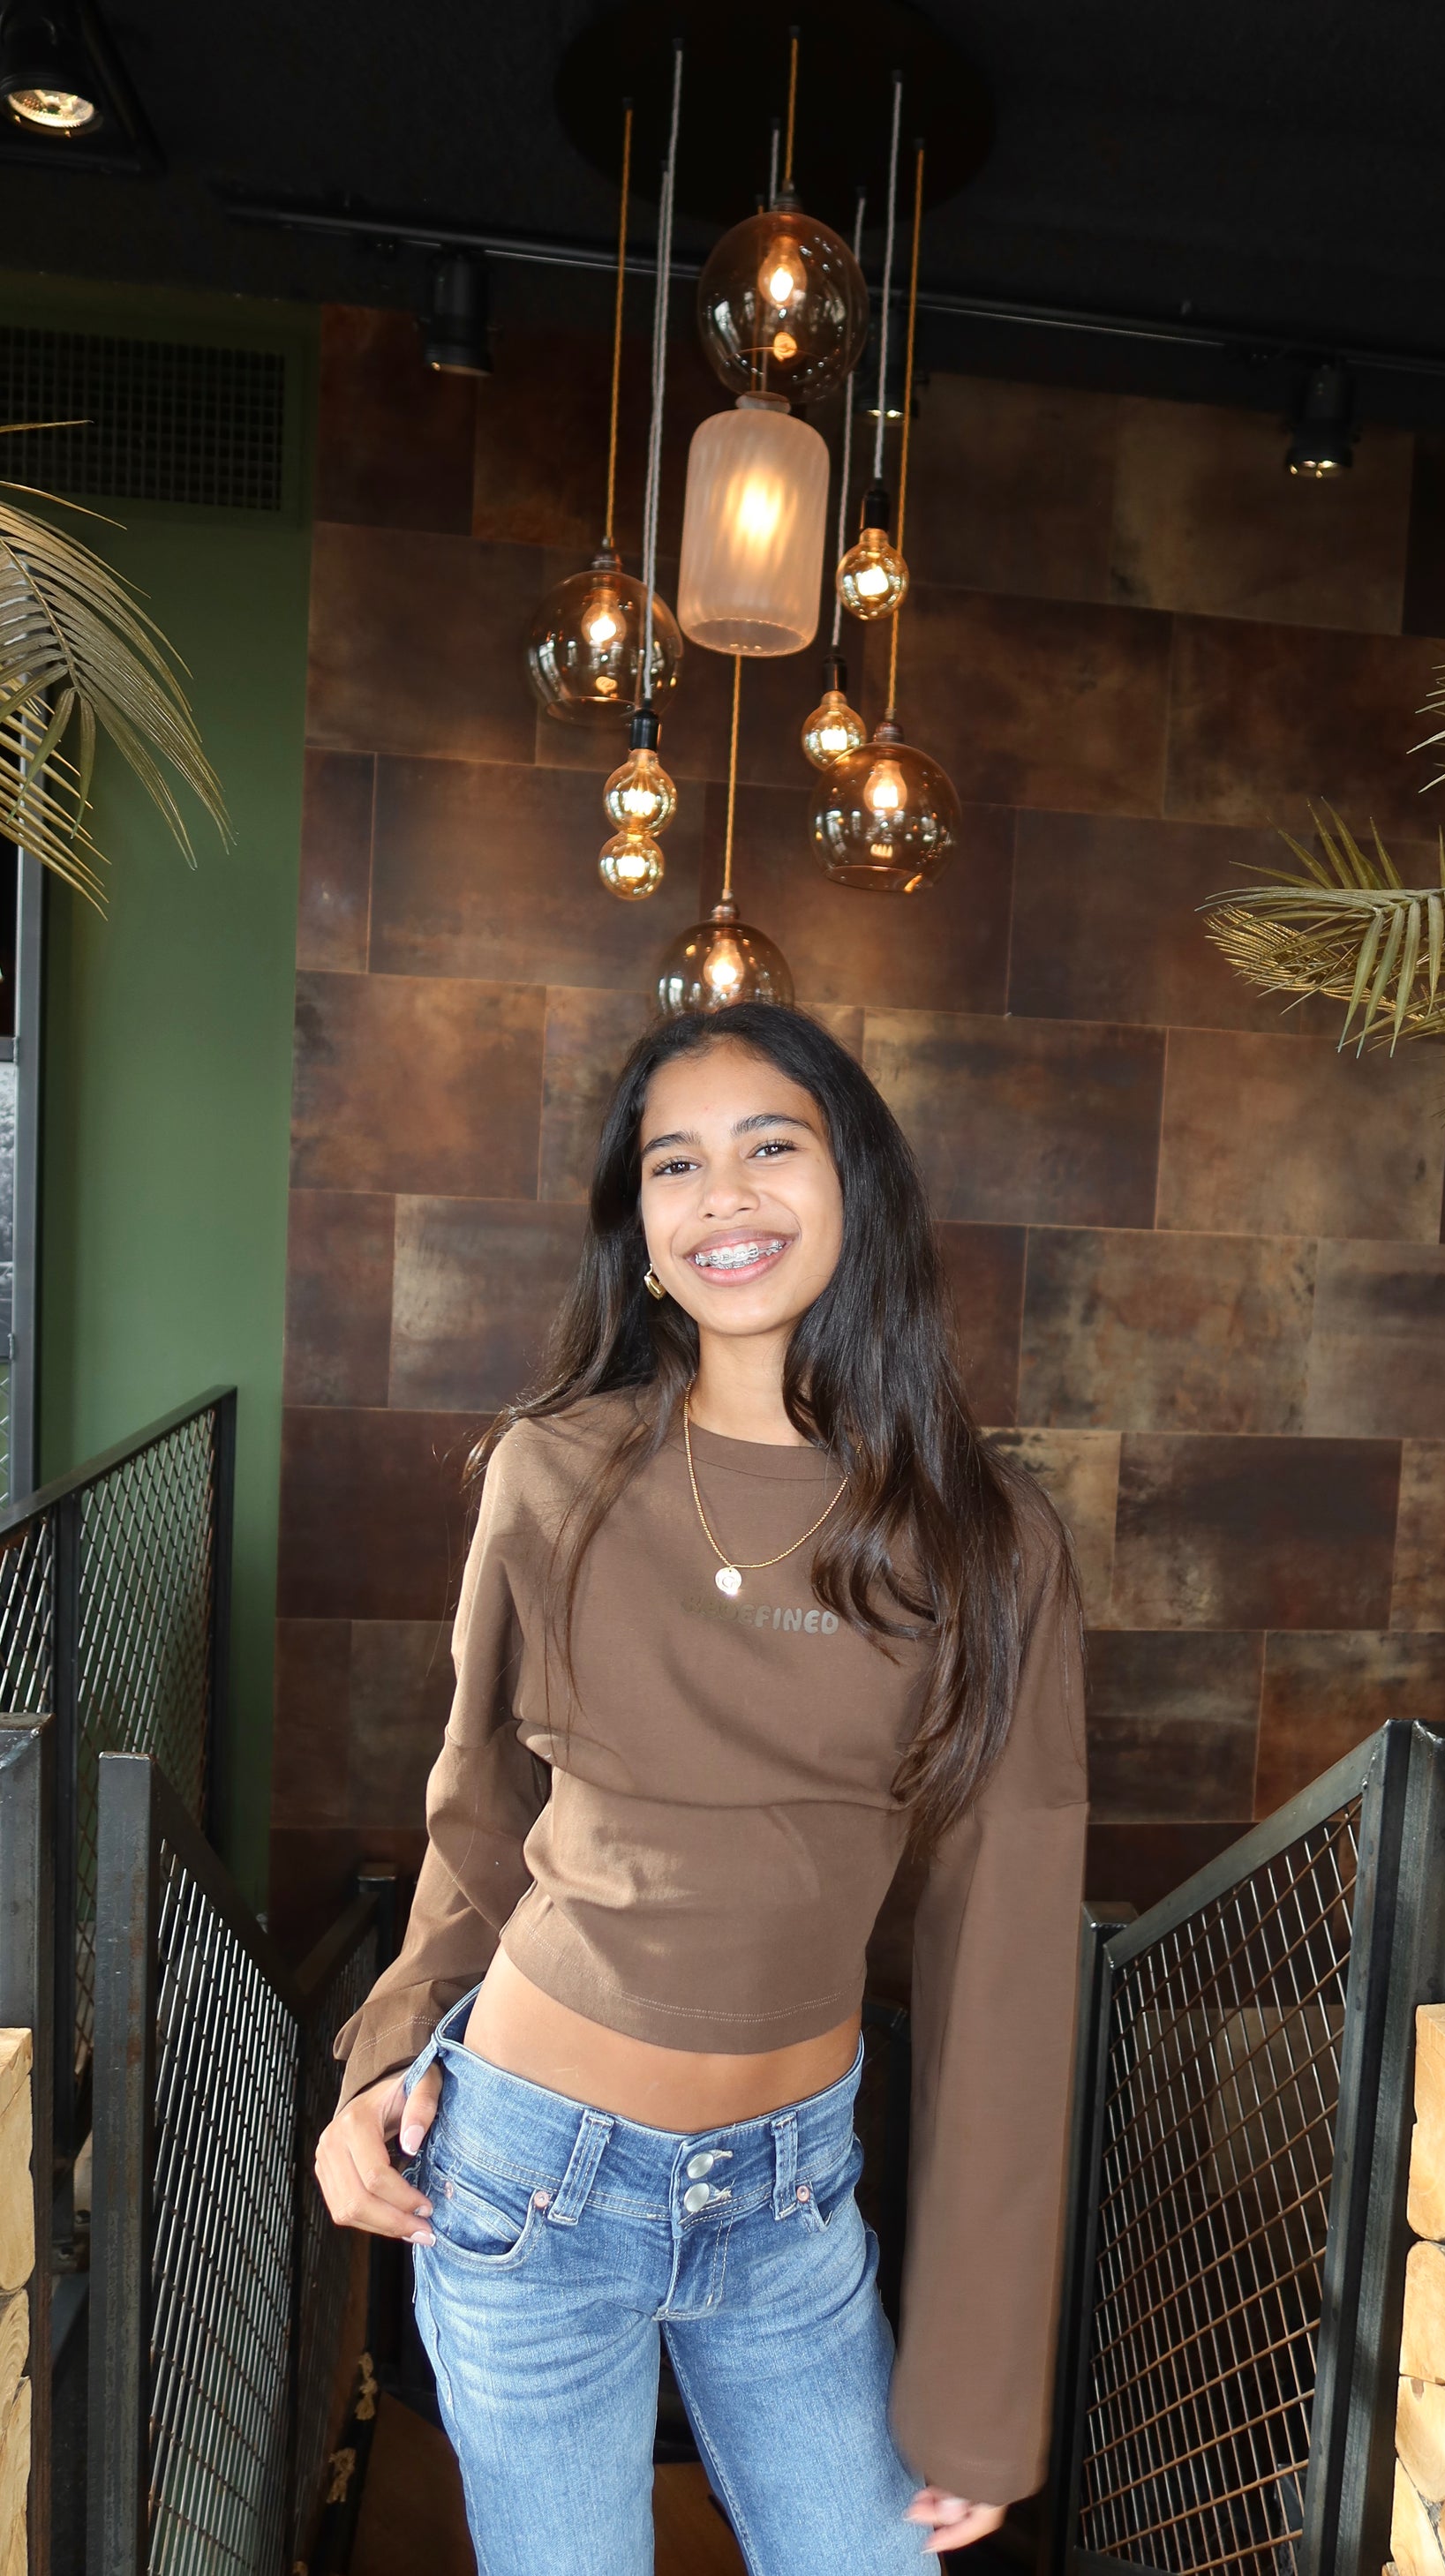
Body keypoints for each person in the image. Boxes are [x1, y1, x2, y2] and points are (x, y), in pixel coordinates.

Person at [315, 1003, 1088, 2576]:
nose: (721, 1194)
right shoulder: (549, 1468)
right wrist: (383, 2058)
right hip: (524, 2176)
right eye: (674, 1164)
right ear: (643, 1234)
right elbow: (478, 1812)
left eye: (769, 1146)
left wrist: (979, 2387)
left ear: (855, 1184)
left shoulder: (987, 1537)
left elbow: (1006, 1954)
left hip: (791, 2200)